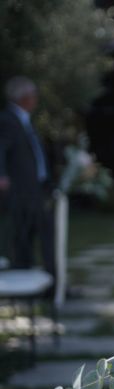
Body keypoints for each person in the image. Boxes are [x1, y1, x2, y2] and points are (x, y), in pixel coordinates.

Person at [0, 76, 54, 280]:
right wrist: (1, 175)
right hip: (21, 193)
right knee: (24, 239)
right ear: (22, 97)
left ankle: (49, 281)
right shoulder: (7, 120)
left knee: (42, 234)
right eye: (33, 95)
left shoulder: (25, 122)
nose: (36, 99)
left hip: (36, 190)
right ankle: (30, 282)